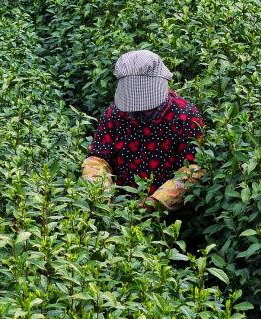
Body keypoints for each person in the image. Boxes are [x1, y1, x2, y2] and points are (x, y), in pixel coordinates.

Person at [82, 50, 206, 212]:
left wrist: (157, 202)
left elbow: (194, 169)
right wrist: (101, 195)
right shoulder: (115, 114)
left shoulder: (185, 115)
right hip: (119, 209)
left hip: (171, 216)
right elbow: (98, 159)